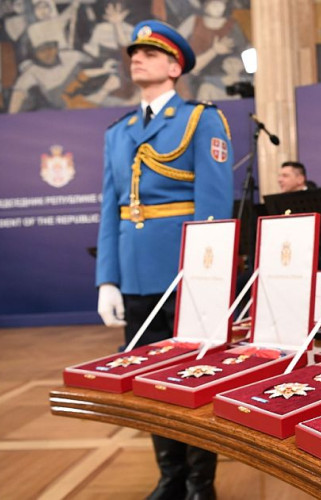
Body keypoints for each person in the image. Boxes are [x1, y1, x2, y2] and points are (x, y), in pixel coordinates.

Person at [95, 20, 233, 500]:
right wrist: (107, 279)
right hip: (135, 276)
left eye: (150, 53)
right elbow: (111, 209)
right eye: (134, 52)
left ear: (175, 67)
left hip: (185, 272)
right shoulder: (119, 132)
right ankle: (171, 477)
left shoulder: (200, 119)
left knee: (195, 379)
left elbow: (214, 205)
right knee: (149, 382)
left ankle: (200, 484)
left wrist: (208, 275)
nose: (137, 58)